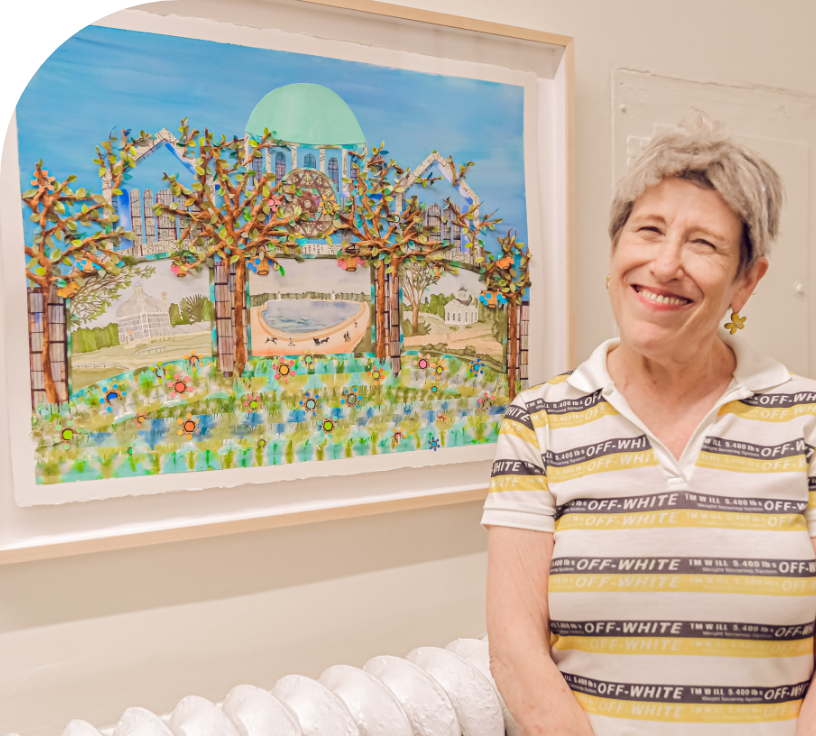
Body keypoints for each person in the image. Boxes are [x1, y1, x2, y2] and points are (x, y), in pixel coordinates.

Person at [484, 115, 816, 736]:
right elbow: (515, 651)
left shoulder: (805, 423)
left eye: (704, 244)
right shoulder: (537, 424)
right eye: (649, 231)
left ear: (747, 282)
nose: (665, 265)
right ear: (614, 254)